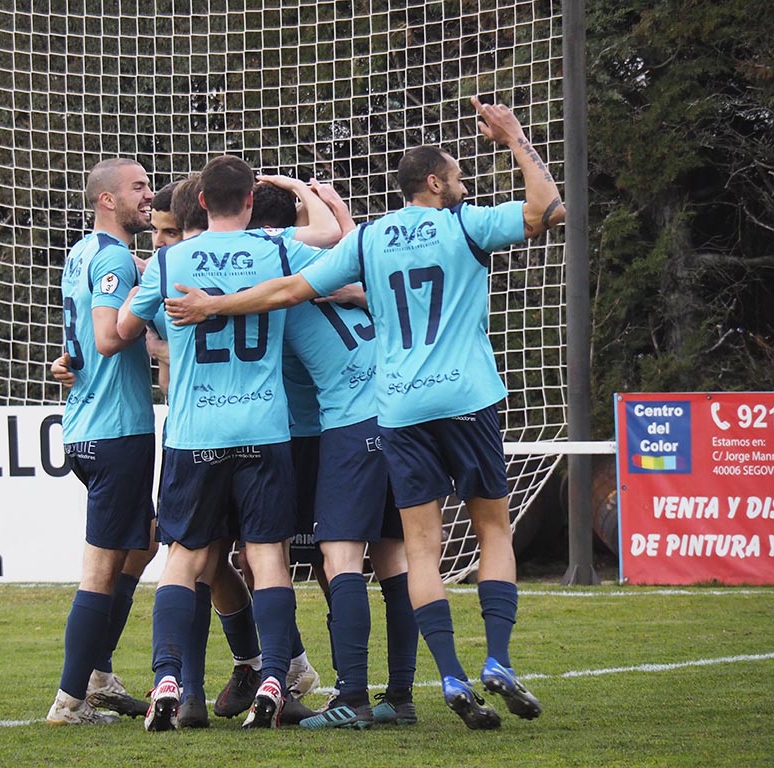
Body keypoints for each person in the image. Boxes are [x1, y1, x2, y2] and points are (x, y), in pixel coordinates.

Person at [164, 97, 566, 730]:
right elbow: (548, 211)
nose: (461, 185)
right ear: (435, 183)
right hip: (452, 399)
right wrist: (514, 136)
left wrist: (213, 307)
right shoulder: (440, 227)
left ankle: (351, 693)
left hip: (375, 416)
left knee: (346, 556)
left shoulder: (348, 250)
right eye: (458, 176)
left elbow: (291, 288)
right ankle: (425, 686)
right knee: (426, 548)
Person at [117, 155, 328, 731]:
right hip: (264, 429)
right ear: (251, 203)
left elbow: (123, 334)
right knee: (266, 557)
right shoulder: (278, 250)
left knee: (185, 560)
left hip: (195, 432)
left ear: (201, 202)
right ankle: (273, 678)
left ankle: (169, 677)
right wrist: (298, 195)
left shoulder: (167, 260)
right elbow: (334, 240)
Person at [247, 180, 420, 730]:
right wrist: (317, 196)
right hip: (402, 412)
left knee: (339, 558)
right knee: (393, 558)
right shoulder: (339, 266)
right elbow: (349, 239)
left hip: (350, 423)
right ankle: (399, 695)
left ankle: (350, 697)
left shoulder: (272, 276)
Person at [44, 158, 158, 727]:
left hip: (87, 423)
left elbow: (84, 341)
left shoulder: (81, 253)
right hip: (115, 429)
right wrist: (153, 305)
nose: (148, 194)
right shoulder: (112, 257)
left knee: (145, 544)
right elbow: (110, 339)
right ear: (107, 200)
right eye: (137, 187)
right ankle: (71, 700)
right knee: (102, 567)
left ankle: (99, 673)